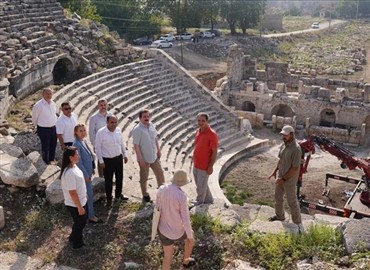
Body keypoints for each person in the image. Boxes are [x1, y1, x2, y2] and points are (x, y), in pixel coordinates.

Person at [156, 170, 195, 269]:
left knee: (167, 257)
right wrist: (190, 237)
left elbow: (157, 208)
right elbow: (185, 219)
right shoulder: (181, 196)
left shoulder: (161, 189)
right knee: (190, 236)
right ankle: (186, 261)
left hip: (163, 230)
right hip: (177, 231)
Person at [268, 125, 303, 233]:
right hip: (280, 177)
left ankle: (297, 224)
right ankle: (280, 216)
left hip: (289, 180)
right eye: (282, 135)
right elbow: (280, 160)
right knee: (278, 198)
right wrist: (274, 172)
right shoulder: (284, 146)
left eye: (285, 135)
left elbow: (295, 168)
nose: (283, 137)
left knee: (292, 201)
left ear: (292, 135)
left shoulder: (296, 149)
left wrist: (283, 179)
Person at [131, 110, 165, 203]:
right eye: (144, 117)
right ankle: (145, 195)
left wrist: (158, 150)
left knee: (160, 174)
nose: (146, 118)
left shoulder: (151, 125)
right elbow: (136, 145)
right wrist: (140, 159)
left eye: (147, 116)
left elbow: (155, 138)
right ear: (140, 118)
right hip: (144, 158)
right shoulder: (137, 129)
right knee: (144, 177)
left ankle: (162, 193)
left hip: (154, 156)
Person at [95, 115, 128, 206]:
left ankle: (118, 195)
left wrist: (125, 155)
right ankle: (109, 198)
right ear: (107, 122)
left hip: (118, 158)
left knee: (119, 177)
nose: (114, 124)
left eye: (115, 122)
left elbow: (121, 143)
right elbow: (98, 148)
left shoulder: (118, 130)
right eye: (111, 122)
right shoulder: (101, 133)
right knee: (108, 180)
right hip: (107, 160)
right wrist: (101, 161)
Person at [73, 124, 103, 224]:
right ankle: (90, 216)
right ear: (76, 132)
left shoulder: (83, 141)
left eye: (84, 130)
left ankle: (87, 214)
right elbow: (79, 162)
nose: (83, 132)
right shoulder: (76, 144)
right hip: (83, 175)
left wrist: (93, 167)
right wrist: (85, 174)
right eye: (80, 131)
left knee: (88, 194)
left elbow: (89, 155)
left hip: (88, 172)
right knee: (88, 194)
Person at [60, 146, 87, 251]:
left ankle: (72, 238)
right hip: (75, 204)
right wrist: (79, 207)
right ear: (71, 157)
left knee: (80, 222)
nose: (78, 156)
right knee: (80, 223)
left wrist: (84, 194)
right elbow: (72, 192)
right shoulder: (69, 173)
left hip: (81, 200)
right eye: (76, 154)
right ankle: (77, 244)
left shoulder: (74, 167)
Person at [192, 112, 218, 205]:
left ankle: (199, 203)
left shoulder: (212, 134)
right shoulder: (198, 131)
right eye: (199, 120)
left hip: (204, 165)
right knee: (202, 185)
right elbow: (197, 146)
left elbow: (214, 152)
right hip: (196, 163)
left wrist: (210, 166)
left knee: (200, 186)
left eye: (203, 121)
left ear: (207, 121)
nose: (200, 122)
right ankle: (209, 200)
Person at [31, 87, 57, 164]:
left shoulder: (53, 103)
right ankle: (45, 161)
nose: (49, 95)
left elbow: (54, 115)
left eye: (50, 93)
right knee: (45, 146)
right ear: (43, 94)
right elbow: (34, 117)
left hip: (53, 128)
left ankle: (52, 160)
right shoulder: (38, 105)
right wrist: (36, 126)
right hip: (43, 129)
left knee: (53, 145)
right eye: (47, 93)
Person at [88, 99, 112, 177]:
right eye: (101, 105)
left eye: (104, 105)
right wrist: (94, 145)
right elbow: (92, 133)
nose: (103, 107)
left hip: (110, 142)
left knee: (110, 159)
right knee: (101, 160)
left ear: (107, 105)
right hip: (100, 143)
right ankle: (101, 178)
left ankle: (109, 176)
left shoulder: (110, 115)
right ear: (98, 106)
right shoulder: (94, 118)